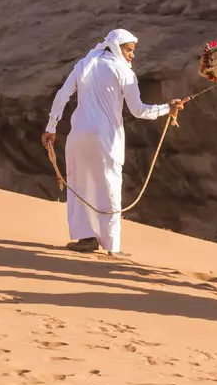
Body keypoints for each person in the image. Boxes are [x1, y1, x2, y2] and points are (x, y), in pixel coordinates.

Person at [42, 29, 188, 255]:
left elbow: (63, 94)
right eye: (128, 50)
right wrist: (167, 108)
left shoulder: (85, 63)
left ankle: (86, 238)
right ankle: (112, 247)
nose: (132, 56)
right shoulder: (123, 72)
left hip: (77, 136)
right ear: (116, 47)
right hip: (104, 138)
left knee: (80, 184)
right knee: (108, 187)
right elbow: (139, 111)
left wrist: (51, 127)